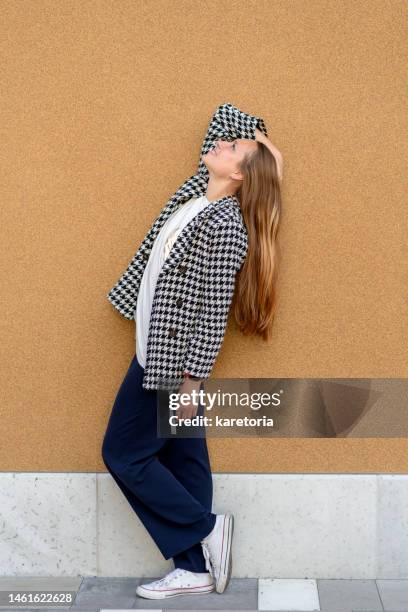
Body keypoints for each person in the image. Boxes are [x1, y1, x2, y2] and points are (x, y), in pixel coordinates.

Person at [101, 102, 283, 600]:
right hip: (155, 350)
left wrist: (190, 385)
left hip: (168, 365)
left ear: (241, 172)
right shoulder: (194, 198)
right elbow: (223, 118)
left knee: (122, 454)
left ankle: (203, 529)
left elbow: (210, 313)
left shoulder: (226, 226)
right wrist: (267, 151)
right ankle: (194, 569)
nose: (221, 144)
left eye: (234, 146)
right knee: (185, 462)